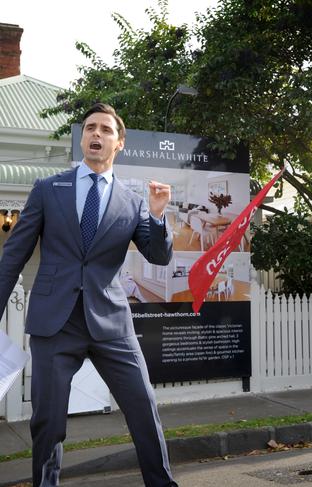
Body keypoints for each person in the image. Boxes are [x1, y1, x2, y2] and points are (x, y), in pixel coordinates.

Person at [0, 103, 178, 486]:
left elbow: (158, 256)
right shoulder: (48, 189)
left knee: (144, 408)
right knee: (47, 421)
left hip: (111, 323)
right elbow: (13, 255)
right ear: (83, 138)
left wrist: (159, 215)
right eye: (90, 128)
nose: (96, 134)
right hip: (55, 323)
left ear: (119, 143)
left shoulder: (132, 202)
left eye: (105, 130)